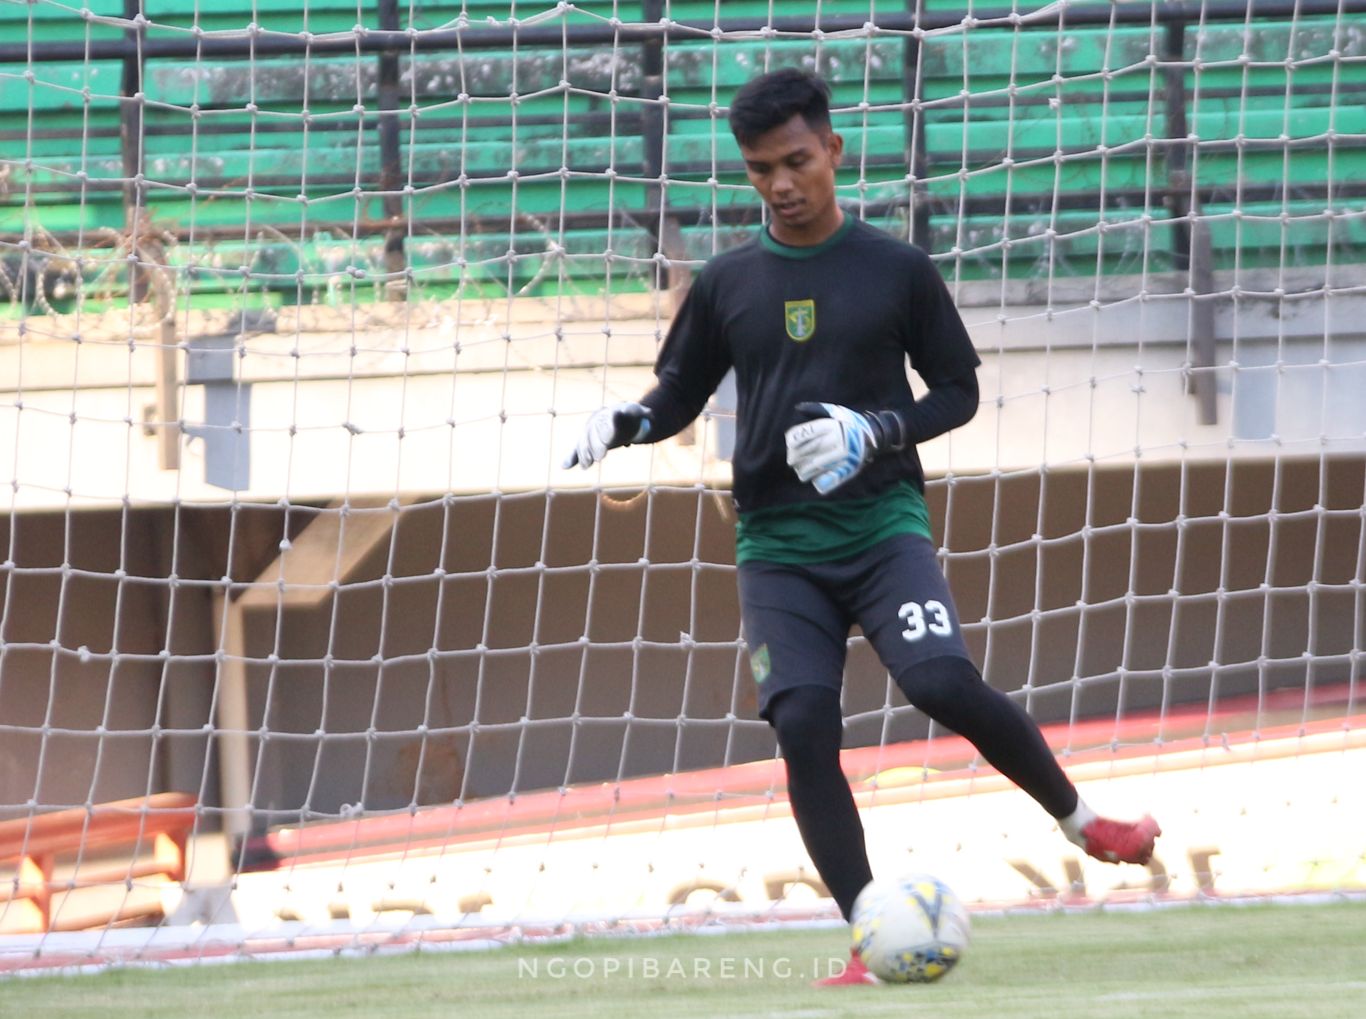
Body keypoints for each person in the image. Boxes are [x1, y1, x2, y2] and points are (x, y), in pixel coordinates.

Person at [564, 67, 1160, 986]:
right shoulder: (727, 283)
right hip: (777, 545)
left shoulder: (897, 270)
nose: (781, 184)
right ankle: (869, 932)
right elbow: (678, 394)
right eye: (760, 169)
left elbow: (957, 391)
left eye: (796, 160)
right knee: (802, 721)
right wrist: (627, 423)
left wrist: (875, 429)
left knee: (938, 681)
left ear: (833, 150)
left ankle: (1088, 824)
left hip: (882, 525)